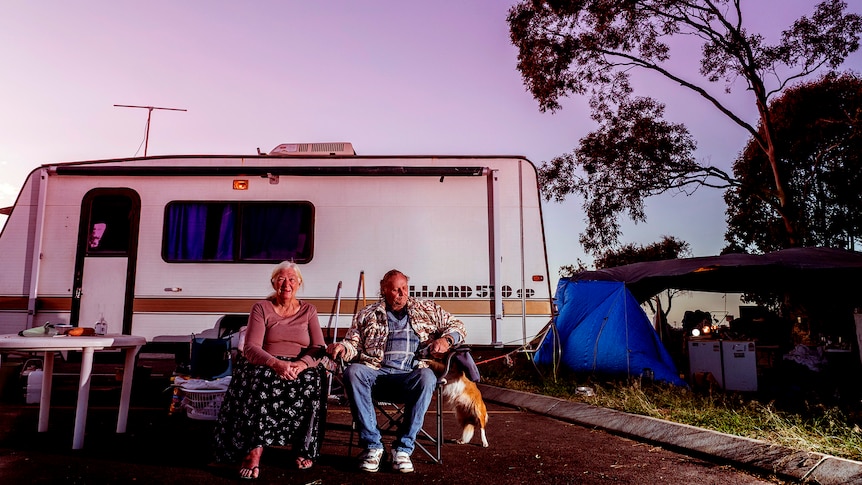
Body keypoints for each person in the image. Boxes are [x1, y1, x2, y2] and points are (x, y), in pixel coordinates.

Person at [327, 269, 466, 473]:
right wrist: (342, 348)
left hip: (411, 375)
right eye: (396, 289)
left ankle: (403, 449)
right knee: (353, 372)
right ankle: (373, 447)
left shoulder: (425, 309)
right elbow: (352, 344)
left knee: (427, 377)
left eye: (405, 288)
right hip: (376, 374)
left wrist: (447, 340)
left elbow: (458, 325)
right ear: (384, 290)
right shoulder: (367, 314)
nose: (402, 293)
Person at [213, 261, 327, 480]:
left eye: (292, 279)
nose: (287, 284)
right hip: (267, 364)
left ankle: (302, 448)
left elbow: (318, 347)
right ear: (274, 282)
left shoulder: (309, 310)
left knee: (313, 380)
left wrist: (302, 364)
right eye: (281, 278)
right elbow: (251, 348)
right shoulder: (261, 308)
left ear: (299, 283)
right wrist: (276, 364)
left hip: (298, 365)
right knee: (264, 380)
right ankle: (253, 452)